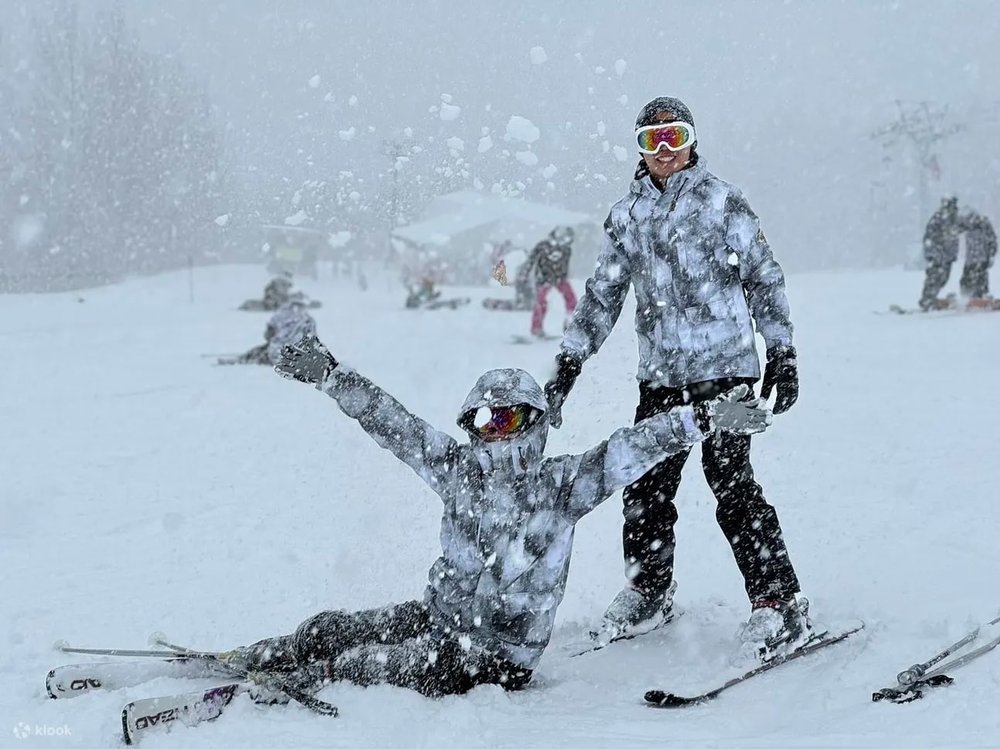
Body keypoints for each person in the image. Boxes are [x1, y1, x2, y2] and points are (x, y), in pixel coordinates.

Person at [223, 334, 772, 697]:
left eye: (504, 417)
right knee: (332, 628)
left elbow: (633, 446)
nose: (491, 429)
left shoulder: (562, 486)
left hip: (500, 653)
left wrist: (704, 416)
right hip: (440, 618)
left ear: (531, 420)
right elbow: (394, 423)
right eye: (481, 418)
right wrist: (332, 374)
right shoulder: (458, 469)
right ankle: (265, 656)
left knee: (373, 663)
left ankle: (305, 682)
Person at [543, 96, 807, 661]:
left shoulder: (722, 201)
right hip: (662, 379)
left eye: (674, 136)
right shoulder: (626, 217)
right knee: (646, 485)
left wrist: (780, 351)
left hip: (730, 376)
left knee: (730, 478)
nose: (665, 150)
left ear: (691, 141)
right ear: (639, 149)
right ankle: (649, 589)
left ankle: (779, 603)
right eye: (652, 140)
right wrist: (568, 366)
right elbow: (601, 298)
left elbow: (765, 276)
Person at [220, 300, 317, 366]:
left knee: (261, 352)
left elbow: (269, 337)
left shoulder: (281, 316)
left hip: (283, 355)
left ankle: (240, 360)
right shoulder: (309, 319)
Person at [524, 226, 577, 338]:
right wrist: (524, 273)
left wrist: (562, 277)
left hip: (559, 278)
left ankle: (571, 323)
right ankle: (536, 328)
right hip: (543, 278)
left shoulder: (566, 249)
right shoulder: (543, 246)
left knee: (571, 299)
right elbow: (531, 260)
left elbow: (564, 265)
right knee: (541, 303)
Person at [919, 197, 963, 311]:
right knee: (935, 277)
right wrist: (936, 253)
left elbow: (957, 231)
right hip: (938, 255)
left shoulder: (952, 218)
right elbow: (931, 236)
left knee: (942, 277)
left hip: (947, 255)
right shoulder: (939, 218)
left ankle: (930, 298)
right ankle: (928, 299)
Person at [959, 209, 997, 304]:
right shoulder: (967, 225)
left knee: (979, 278)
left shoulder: (984, 225)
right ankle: (966, 296)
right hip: (970, 258)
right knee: (967, 278)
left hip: (981, 258)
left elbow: (992, 241)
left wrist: (991, 254)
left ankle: (980, 296)